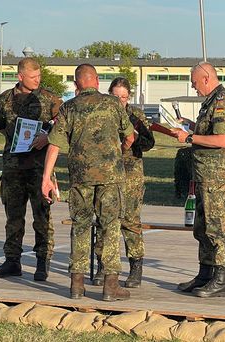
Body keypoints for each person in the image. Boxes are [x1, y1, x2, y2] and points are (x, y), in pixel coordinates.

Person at [42, 64, 135, 301]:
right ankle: (110, 286)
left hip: (80, 178)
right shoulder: (113, 104)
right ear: (97, 80)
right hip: (110, 178)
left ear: (76, 84)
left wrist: (46, 178)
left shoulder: (68, 108)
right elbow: (130, 136)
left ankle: (76, 284)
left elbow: (54, 144)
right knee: (110, 227)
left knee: (80, 226)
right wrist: (118, 152)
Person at [170, 61, 225, 298]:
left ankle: (220, 280)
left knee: (216, 228)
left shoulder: (222, 101)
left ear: (206, 77)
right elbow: (210, 132)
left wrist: (190, 137)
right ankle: (205, 274)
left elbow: (222, 140)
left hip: (217, 176)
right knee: (202, 227)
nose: (193, 88)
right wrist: (191, 126)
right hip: (205, 175)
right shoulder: (211, 101)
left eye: (194, 83)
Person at [0, 57, 63, 282]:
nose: (37, 80)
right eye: (33, 77)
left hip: (39, 167)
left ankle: (43, 261)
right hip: (13, 167)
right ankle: (12, 260)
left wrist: (46, 137)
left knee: (42, 216)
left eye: (39, 76)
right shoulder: (4, 99)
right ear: (20, 77)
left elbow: (64, 126)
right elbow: (1, 125)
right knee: (13, 216)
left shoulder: (50, 99)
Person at [92, 77, 155, 288]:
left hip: (130, 174)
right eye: (116, 96)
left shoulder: (135, 115)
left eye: (124, 97)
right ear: (108, 94)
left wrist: (134, 137)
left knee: (130, 221)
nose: (120, 101)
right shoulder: (101, 113)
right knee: (104, 220)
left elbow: (148, 142)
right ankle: (104, 265)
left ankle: (136, 266)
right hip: (106, 173)